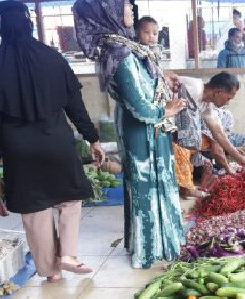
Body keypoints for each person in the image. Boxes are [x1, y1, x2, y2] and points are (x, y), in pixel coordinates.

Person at [0, 1, 105, 282]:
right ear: (29, 22)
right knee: (70, 199)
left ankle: (51, 273)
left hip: (19, 151)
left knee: (35, 212)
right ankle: (68, 254)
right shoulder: (53, 58)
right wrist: (92, 138)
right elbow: (75, 104)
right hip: (56, 142)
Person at [74, 0, 187, 269]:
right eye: (125, 5)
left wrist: (163, 77)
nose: (130, 10)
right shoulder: (119, 53)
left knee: (152, 187)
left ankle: (159, 245)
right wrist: (166, 110)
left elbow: (145, 82)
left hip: (147, 130)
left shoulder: (127, 47)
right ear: (108, 11)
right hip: (143, 132)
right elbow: (140, 106)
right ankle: (148, 250)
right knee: (146, 189)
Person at [178, 72, 245, 174]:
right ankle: (185, 188)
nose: (227, 103)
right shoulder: (194, 88)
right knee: (184, 145)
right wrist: (230, 167)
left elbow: (219, 134)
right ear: (218, 92)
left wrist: (239, 158)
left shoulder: (207, 106)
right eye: (228, 98)